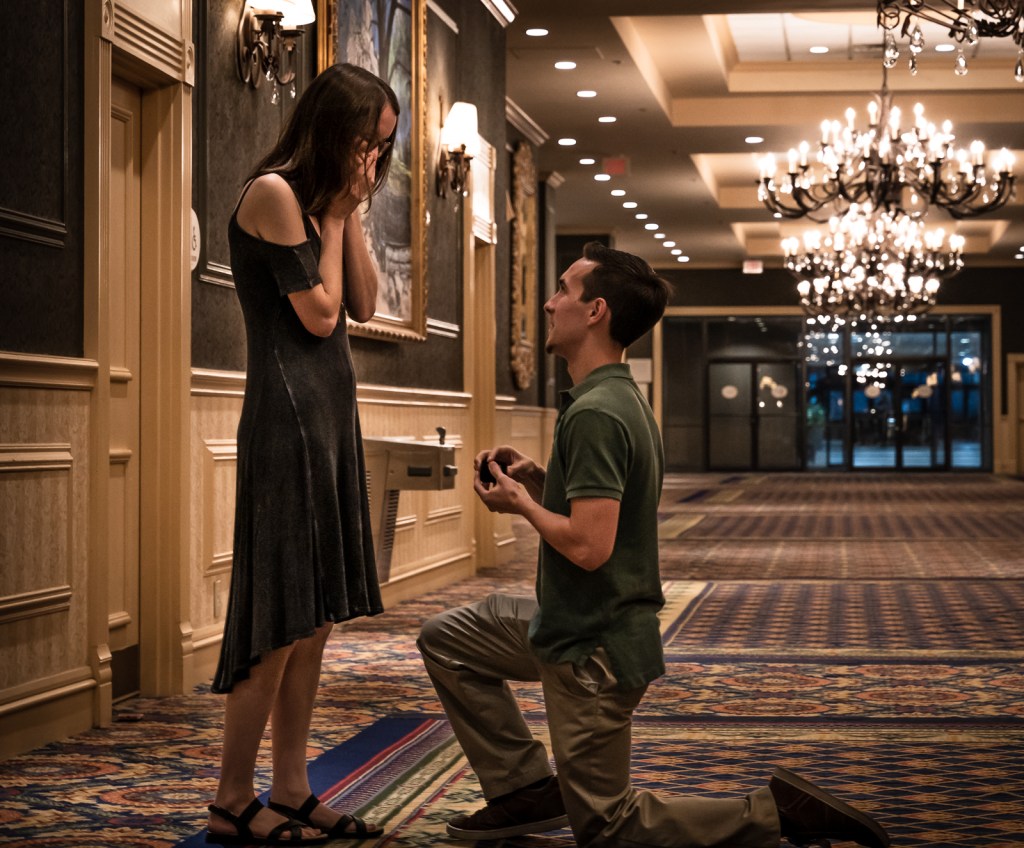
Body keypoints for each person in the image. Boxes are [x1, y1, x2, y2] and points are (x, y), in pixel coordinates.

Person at [417, 242, 891, 848]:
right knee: (448, 639)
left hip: (593, 649)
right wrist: (542, 481)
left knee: (608, 827)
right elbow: (605, 506)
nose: (547, 301)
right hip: (572, 622)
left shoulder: (596, 413)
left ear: (596, 313)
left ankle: (776, 813)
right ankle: (523, 789)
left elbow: (589, 548)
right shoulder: (611, 398)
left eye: (563, 289)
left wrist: (521, 505)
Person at [205, 63, 399, 846]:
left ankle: (289, 787)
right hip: (285, 419)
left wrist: (347, 213)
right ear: (334, 130)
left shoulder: (320, 206)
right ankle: (229, 795)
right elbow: (318, 318)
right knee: (281, 616)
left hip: (328, 417)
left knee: (313, 618)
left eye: (383, 150)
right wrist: (336, 211)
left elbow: (366, 303)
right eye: (366, 144)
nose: (373, 163)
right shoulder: (275, 194)